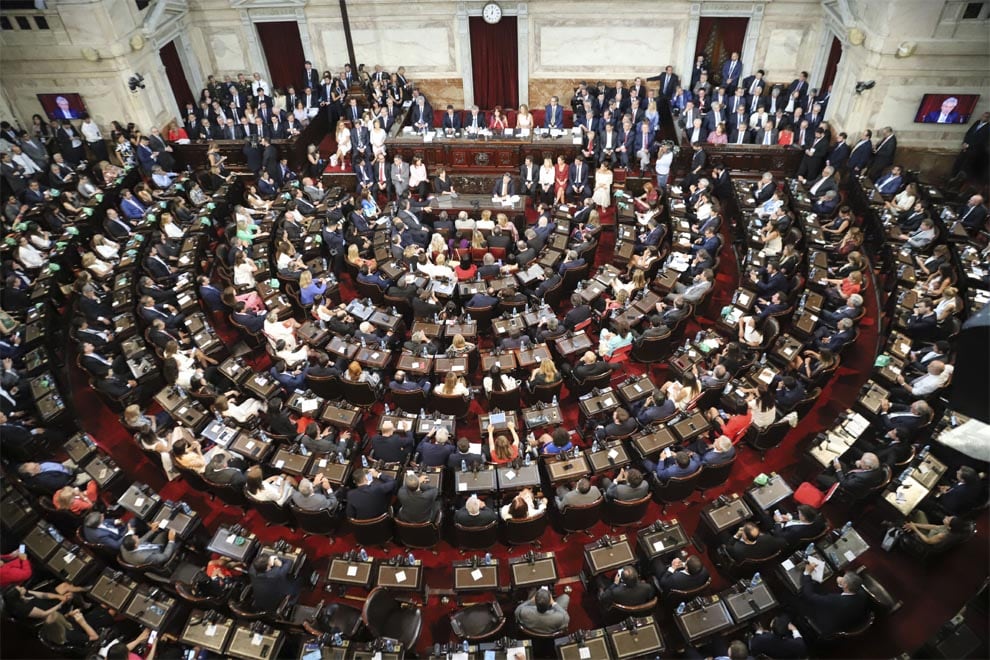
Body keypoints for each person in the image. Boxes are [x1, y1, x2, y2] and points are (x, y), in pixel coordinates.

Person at [799, 568, 869, 637]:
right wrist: (842, 583)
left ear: (845, 585)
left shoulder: (834, 600)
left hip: (829, 626)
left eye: (843, 578)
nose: (841, 578)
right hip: (849, 620)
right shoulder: (862, 594)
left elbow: (809, 595)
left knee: (804, 602)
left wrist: (807, 573)